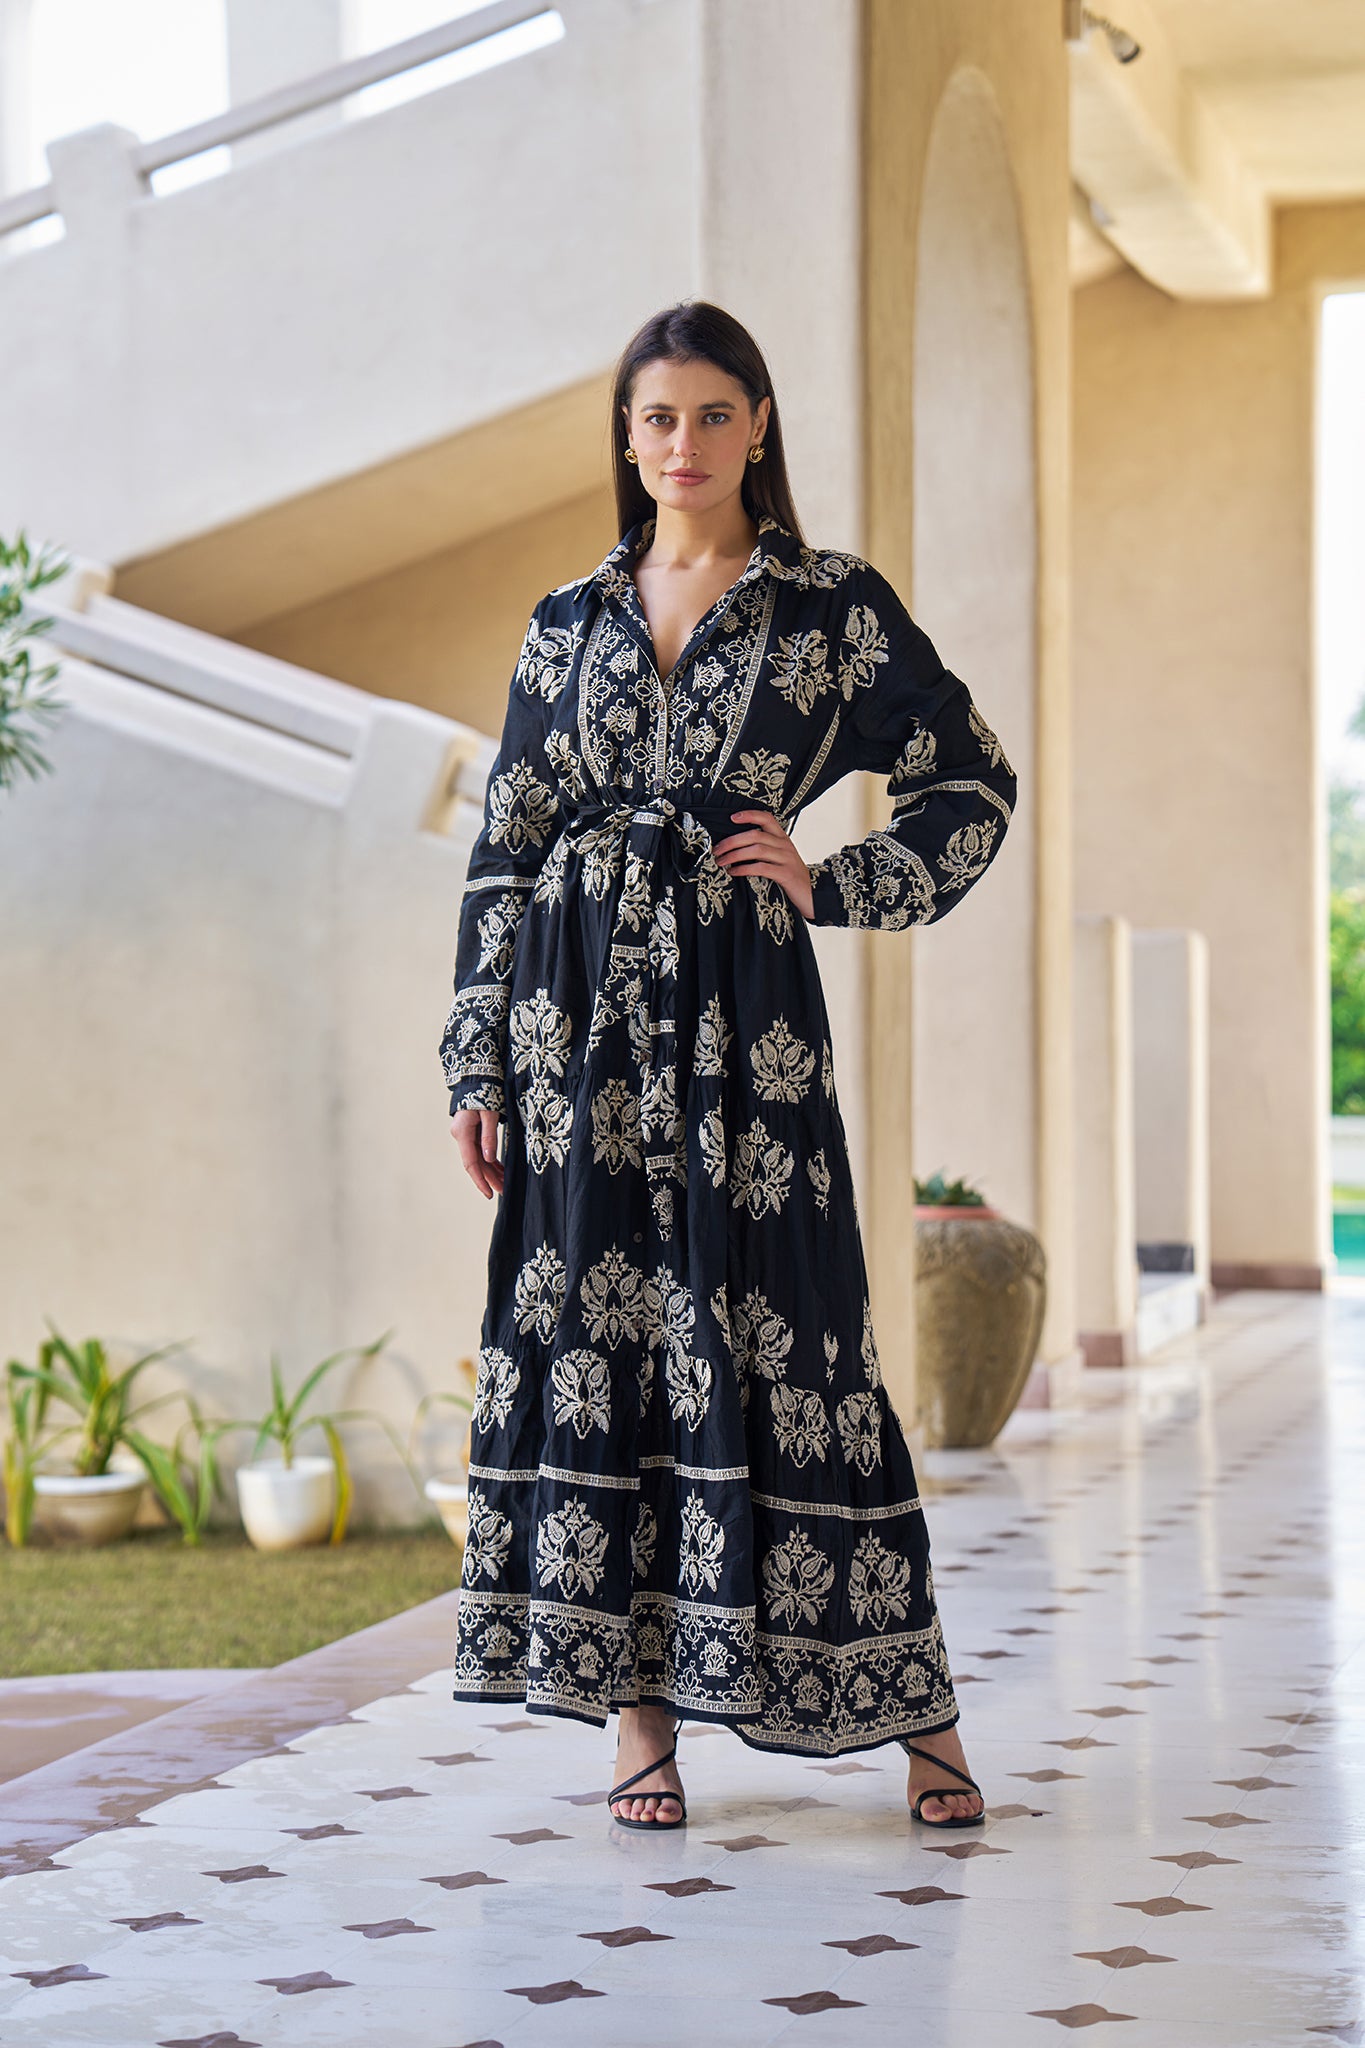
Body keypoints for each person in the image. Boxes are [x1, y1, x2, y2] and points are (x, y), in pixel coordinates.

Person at [439, 300, 1015, 1833]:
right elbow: (505, 844)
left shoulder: (830, 608)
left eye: (708, 413)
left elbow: (970, 778)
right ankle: (638, 1725)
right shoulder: (564, 618)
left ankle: (914, 1709)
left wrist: (834, 882)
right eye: (655, 418)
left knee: (797, 1341)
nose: (680, 443)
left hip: (742, 1033)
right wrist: (476, 1062)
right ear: (626, 438)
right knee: (602, 1345)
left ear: (757, 423)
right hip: (573, 1035)